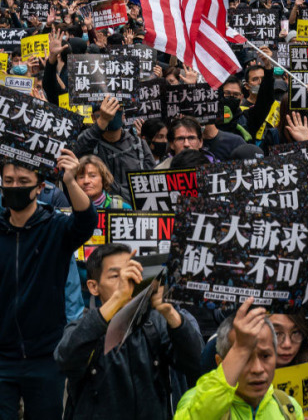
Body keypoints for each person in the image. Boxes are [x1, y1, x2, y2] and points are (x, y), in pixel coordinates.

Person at [54, 244, 203, 420]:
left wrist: (169, 312)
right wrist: (118, 298)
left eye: (130, 273)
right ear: (94, 287)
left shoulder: (155, 324)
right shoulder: (84, 327)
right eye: (115, 276)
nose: (126, 281)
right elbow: (65, 359)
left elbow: (196, 363)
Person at [0, 151, 97, 420]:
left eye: (22, 181)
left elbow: (87, 221)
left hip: (46, 356)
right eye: (8, 181)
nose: (15, 187)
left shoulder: (56, 228)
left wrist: (70, 180)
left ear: (40, 187)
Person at [174, 298, 304, 420]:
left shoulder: (287, 406)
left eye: (265, 356)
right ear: (220, 362)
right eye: (244, 358)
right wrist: (241, 348)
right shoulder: (194, 400)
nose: (257, 369)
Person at [73, 95, 155, 199]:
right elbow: (74, 154)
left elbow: (153, 181)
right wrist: (102, 122)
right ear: (94, 118)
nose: (110, 115)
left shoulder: (139, 145)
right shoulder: (88, 142)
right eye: (104, 112)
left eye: (116, 110)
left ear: (123, 116)